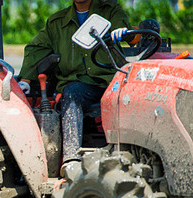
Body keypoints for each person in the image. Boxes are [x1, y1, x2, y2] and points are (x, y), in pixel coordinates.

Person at [18, 0, 131, 176]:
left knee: (134, 92)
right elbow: (36, 48)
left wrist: (122, 33)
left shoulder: (110, 11)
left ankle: (130, 150)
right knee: (71, 92)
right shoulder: (57, 22)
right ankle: (71, 159)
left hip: (109, 81)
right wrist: (25, 80)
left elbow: (127, 32)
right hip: (79, 86)